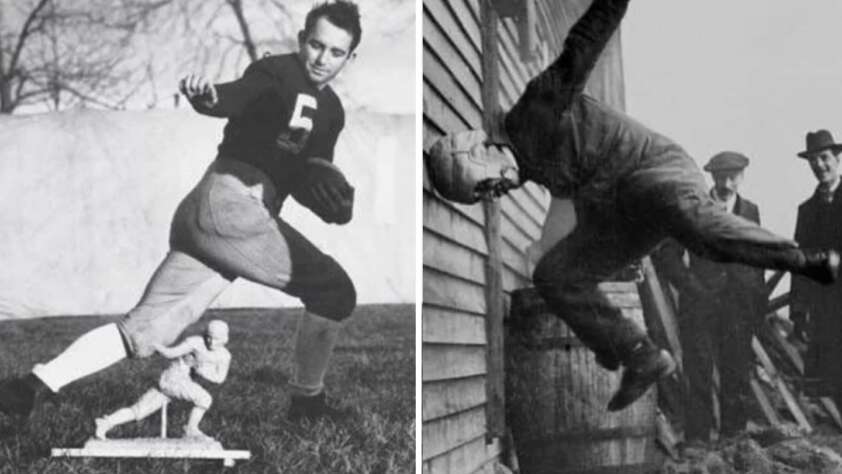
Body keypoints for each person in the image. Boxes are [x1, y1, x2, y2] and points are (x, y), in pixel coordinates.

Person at [427, 0, 839, 412]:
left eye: (486, 186)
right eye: (485, 197)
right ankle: (641, 355)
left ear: (482, 151)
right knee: (554, 274)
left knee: (698, 231)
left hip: (656, 171)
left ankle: (809, 261)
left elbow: (583, 43)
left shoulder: (537, 106)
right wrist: (602, 316)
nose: (495, 194)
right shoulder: (527, 165)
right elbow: (583, 180)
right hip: (617, 206)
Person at [0, 0, 361, 423]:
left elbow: (310, 176)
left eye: (336, 52)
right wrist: (209, 98)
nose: (322, 59)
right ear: (302, 40)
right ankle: (307, 405)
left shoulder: (332, 111)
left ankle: (25, 389)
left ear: (350, 57)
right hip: (231, 204)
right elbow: (237, 96)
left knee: (143, 331)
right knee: (334, 291)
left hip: (213, 217)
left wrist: (336, 208)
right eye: (316, 45)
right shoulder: (277, 71)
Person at [651, 152, 766, 441]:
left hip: (738, 308)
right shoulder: (692, 209)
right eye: (720, 176)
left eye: (732, 176)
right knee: (699, 373)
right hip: (700, 306)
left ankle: (734, 440)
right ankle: (698, 443)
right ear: (711, 177)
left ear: (742, 177)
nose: (726, 183)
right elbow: (667, 254)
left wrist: (755, 302)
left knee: (736, 373)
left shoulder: (750, 210)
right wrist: (692, 287)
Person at [95, 320, 232, 440]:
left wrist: (201, 371)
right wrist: (155, 344)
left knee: (139, 410)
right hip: (173, 378)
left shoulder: (225, 356)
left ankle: (105, 423)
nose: (211, 342)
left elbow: (219, 379)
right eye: (209, 337)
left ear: (225, 339)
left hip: (175, 383)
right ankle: (190, 430)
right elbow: (171, 353)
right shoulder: (195, 342)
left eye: (216, 339)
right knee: (204, 398)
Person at [790, 129, 842, 407]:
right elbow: (800, 263)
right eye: (813, 161)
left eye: (824, 158)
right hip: (824, 310)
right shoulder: (807, 210)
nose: (819, 166)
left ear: (837, 158)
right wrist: (798, 313)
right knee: (832, 381)